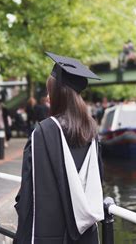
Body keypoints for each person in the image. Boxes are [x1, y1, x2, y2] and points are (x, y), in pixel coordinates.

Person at [14, 52, 104, 243]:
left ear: (57, 94)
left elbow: (28, 189)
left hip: (48, 233)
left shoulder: (42, 133)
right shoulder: (92, 131)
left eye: (49, 91)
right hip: (85, 235)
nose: (47, 97)